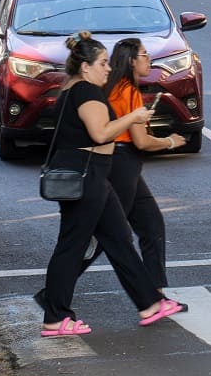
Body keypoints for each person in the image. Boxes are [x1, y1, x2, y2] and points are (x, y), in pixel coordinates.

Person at [37, 32, 185, 337]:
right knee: (72, 246)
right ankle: (55, 316)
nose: (108, 68)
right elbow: (101, 134)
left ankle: (149, 303)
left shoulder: (74, 88)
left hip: (95, 175)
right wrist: (133, 116)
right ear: (85, 67)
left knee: (119, 240)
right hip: (87, 176)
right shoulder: (86, 92)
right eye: (102, 63)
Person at [77, 37, 185, 291]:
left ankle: (156, 292)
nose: (149, 60)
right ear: (131, 61)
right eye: (144, 55)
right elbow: (142, 141)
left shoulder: (113, 89)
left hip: (119, 163)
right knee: (107, 235)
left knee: (151, 224)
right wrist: (170, 141)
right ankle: (54, 290)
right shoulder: (129, 92)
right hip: (123, 164)